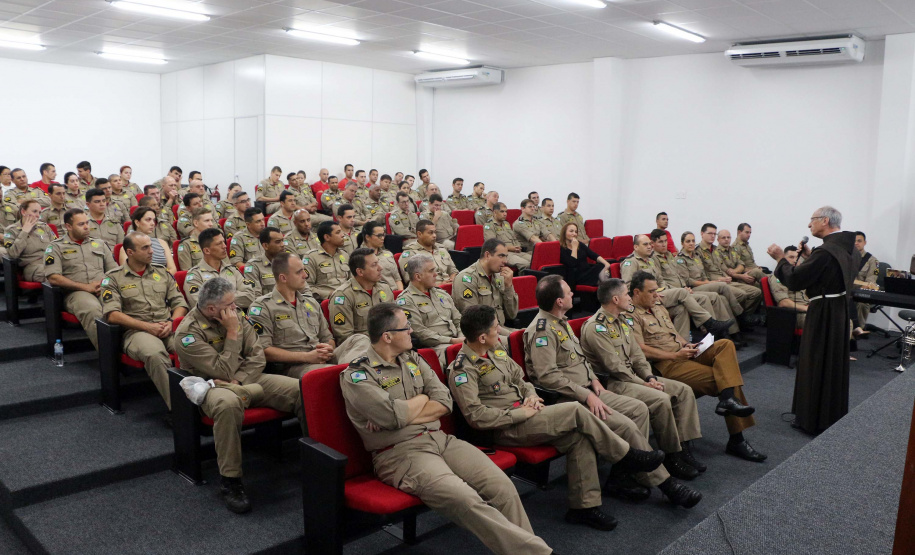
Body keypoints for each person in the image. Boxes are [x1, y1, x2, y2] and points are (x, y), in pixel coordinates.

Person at [341, 303, 553, 555]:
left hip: (441, 439)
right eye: (405, 327)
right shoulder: (357, 375)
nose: (411, 330)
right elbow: (392, 415)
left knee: (501, 485)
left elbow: (444, 402)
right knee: (465, 498)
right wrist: (418, 401)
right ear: (387, 336)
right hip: (399, 454)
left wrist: (406, 410)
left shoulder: (413, 358)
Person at [450, 305, 674, 530]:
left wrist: (532, 397)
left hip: (530, 413)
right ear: (481, 337)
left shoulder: (495, 350)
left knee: (579, 438)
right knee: (576, 409)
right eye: (495, 329)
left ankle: (584, 508)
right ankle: (625, 455)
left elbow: (522, 381)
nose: (499, 332)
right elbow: (476, 417)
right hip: (507, 427)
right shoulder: (461, 370)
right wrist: (521, 412)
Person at [523, 275, 701, 505]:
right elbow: (548, 377)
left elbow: (579, 362)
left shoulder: (561, 323)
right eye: (568, 293)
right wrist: (586, 393)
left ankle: (623, 475)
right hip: (568, 399)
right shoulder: (542, 331)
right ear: (558, 301)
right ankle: (666, 485)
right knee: (627, 423)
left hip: (592, 390)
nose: (572, 295)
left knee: (638, 409)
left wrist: (595, 383)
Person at [175, 277, 305, 514]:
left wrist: (240, 380)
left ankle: (314, 462)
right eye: (230, 305)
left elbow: (257, 355)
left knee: (301, 390)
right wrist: (232, 332)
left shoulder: (235, 315)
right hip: (212, 387)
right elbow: (220, 371)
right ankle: (231, 481)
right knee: (228, 404)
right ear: (212, 308)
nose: (235, 308)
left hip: (244, 377)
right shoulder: (188, 334)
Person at [628, 271, 766, 462]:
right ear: (636, 292)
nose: (656, 295)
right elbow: (640, 350)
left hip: (683, 353)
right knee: (725, 379)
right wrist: (675, 354)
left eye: (656, 291)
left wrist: (686, 344)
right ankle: (737, 438)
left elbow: (672, 332)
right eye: (651, 291)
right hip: (666, 364)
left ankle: (727, 400)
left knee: (725, 345)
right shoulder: (630, 314)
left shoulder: (657, 304)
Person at [580, 280, 705, 480]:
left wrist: (649, 376)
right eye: (626, 294)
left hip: (635, 378)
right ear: (615, 299)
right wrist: (644, 383)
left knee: (682, 390)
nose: (630, 297)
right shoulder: (597, 327)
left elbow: (638, 356)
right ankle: (671, 457)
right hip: (613, 384)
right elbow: (616, 368)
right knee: (661, 398)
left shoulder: (622, 320)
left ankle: (683, 449)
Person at [767, 206, 857, 435]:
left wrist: (779, 259)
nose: (809, 225)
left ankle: (812, 418)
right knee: (831, 364)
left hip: (823, 312)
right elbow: (830, 272)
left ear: (825, 221)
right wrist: (809, 257)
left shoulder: (825, 252)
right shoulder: (847, 248)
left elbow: (795, 280)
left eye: (813, 220)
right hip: (838, 310)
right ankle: (829, 415)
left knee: (815, 361)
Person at [101, 232, 188, 410]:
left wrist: (172, 322)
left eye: (151, 246)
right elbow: (112, 314)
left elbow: (180, 303)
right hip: (137, 331)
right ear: (130, 252)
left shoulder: (161, 272)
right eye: (145, 248)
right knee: (155, 353)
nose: (152, 251)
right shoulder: (113, 278)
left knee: (189, 346)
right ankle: (180, 411)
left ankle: (205, 399)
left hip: (166, 326)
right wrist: (147, 327)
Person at [247, 252, 368, 379]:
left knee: (359, 339)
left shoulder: (310, 302)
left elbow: (327, 337)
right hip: (294, 366)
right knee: (332, 372)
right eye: (299, 272)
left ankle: (350, 371)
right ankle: (350, 373)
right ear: (283, 278)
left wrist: (327, 348)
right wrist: (308, 357)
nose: (305, 275)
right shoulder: (262, 307)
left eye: (304, 270)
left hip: (321, 358)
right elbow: (264, 351)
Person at [621, 234, 733, 341]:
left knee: (683, 308)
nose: (650, 246)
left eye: (650, 244)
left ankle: (685, 344)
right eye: (645, 244)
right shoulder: (630, 262)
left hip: (661, 293)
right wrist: (652, 293)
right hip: (647, 299)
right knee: (681, 293)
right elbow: (628, 287)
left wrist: (671, 289)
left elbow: (661, 281)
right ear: (636, 247)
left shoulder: (650, 261)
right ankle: (710, 323)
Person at [649, 230, 742, 344]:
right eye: (660, 242)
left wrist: (684, 287)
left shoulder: (669, 255)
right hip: (674, 293)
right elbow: (661, 281)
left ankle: (725, 334)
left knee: (717, 296)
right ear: (652, 244)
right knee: (707, 297)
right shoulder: (654, 259)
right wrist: (684, 288)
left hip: (684, 289)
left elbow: (678, 277)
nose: (664, 244)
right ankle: (711, 333)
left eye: (665, 241)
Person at [45, 209, 118, 350]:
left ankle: (128, 348)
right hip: (76, 293)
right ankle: (109, 355)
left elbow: (113, 272)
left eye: (87, 223)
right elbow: (53, 277)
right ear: (68, 226)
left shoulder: (100, 244)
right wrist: (86, 287)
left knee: (122, 306)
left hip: (102, 288)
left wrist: (104, 285)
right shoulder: (55, 247)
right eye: (81, 224)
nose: (86, 227)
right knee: (93, 311)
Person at [677, 231, 757, 332]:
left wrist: (709, 281)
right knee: (722, 286)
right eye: (688, 241)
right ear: (682, 243)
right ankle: (742, 316)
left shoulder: (696, 256)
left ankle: (732, 332)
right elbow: (688, 281)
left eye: (693, 241)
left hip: (705, 284)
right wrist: (709, 283)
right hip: (695, 287)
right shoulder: (680, 259)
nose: (691, 243)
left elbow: (704, 274)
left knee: (723, 299)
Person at [397, 254, 463, 362]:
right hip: (436, 348)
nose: (436, 274)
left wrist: (462, 337)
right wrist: (454, 341)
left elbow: (459, 319)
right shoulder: (406, 301)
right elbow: (420, 333)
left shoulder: (441, 294)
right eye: (431, 271)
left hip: (458, 341)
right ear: (418, 276)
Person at [452, 238, 519, 337]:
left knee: (535, 334)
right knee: (522, 340)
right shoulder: (467, 278)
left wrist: (508, 286)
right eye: (501, 256)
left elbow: (512, 314)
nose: (505, 261)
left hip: (501, 330)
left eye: (506, 256)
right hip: (482, 334)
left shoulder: (500, 276)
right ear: (487, 255)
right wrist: (510, 335)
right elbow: (474, 321)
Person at [328, 247, 395, 344]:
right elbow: (345, 337)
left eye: (378, 263)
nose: (380, 268)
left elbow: (395, 321)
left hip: (389, 343)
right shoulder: (343, 296)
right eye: (374, 265)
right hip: (361, 348)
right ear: (360, 272)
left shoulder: (385, 288)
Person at [697, 224, 762, 318]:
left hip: (727, 279)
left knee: (756, 291)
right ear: (702, 234)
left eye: (714, 234)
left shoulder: (715, 250)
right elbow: (703, 273)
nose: (712, 236)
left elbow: (732, 266)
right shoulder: (698, 251)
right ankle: (742, 318)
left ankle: (744, 318)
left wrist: (730, 275)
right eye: (710, 233)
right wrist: (721, 278)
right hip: (716, 282)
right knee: (742, 293)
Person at [183, 228, 256, 309]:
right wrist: (232, 298)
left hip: (238, 316)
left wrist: (217, 301)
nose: (224, 246)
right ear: (207, 251)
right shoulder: (195, 275)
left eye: (224, 242)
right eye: (219, 244)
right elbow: (201, 305)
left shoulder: (232, 270)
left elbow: (250, 296)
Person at [3, 199, 55, 281]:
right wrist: (24, 232)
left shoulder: (44, 227)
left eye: (39, 212)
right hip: (32, 267)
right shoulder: (11, 230)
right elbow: (12, 254)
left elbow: (56, 245)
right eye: (34, 211)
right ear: (23, 212)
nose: (38, 215)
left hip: (51, 262)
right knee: (54, 274)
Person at [399, 220, 458, 285]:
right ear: (419, 234)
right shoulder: (410, 254)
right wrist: (440, 286)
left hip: (450, 287)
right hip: (430, 291)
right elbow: (413, 282)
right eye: (430, 233)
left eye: (435, 232)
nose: (434, 235)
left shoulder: (441, 249)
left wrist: (452, 281)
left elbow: (453, 271)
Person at [121, 206, 177, 274]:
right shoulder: (127, 247)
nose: (153, 223)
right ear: (137, 222)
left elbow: (172, 269)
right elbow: (126, 272)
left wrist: (160, 280)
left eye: (153, 220)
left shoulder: (162, 243)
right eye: (148, 220)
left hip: (162, 280)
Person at [303, 221, 351, 300]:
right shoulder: (311, 257)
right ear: (327, 237)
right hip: (324, 301)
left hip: (347, 299)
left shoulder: (344, 255)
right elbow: (306, 286)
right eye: (338, 232)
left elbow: (351, 281)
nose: (343, 235)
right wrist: (330, 294)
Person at [559, 222, 609, 290]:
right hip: (576, 276)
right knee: (601, 278)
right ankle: (607, 288)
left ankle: (606, 287)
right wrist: (574, 248)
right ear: (564, 233)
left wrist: (606, 263)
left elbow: (593, 255)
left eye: (575, 232)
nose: (574, 234)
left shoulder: (580, 244)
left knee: (601, 265)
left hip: (587, 271)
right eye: (571, 231)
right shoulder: (561, 248)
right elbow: (572, 264)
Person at [768, 246, 809, 328]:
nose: (795, 260)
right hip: (795, 314)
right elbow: (783, 303)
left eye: (797, 258)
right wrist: (806, 309)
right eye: (791, 257)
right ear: (783, 259)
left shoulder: (798, 276)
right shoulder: (778, 277)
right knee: (822, 321)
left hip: (808, 309)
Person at [483, 203, 530, 270]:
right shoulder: (489, 225)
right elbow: (492, 245)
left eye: (506, 211)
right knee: (525, 264)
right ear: (495, 212)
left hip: (516, 252)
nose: (505, 214)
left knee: (534, 261)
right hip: (503, 254)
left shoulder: (506, 224)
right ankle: (522, 280)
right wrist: (510, 248)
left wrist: (517, 246)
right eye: (502, 211)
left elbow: (514, 238)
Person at [357, 220, 402, 290]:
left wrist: (400, 294)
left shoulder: (388, 254)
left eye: (383, 235)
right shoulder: (359, 257)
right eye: (379, 236)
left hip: (395, 293)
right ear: (367, 237)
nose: (383, 238)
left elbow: (397, 279)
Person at [852, 231, 879, 336]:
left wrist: (860, 290)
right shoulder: (846, 257)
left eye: (859, 241)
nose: (856, 243)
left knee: (862, 303)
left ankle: (858, 329)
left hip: (861, 292)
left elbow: (870, 281)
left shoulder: (872, 260)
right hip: (846, 290)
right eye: (854, 241)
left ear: (865, 242)